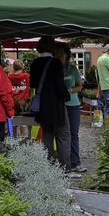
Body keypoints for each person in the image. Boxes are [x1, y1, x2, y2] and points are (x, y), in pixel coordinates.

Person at [30, 36, 75, 176]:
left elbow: (32, 84)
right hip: (57, 106)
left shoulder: (35, 63)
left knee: (47, 137)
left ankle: (49, 166)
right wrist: (67, 96)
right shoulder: (55, 63)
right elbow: (59, 84)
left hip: (43, 107)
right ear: (52, 48)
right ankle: (65, 168)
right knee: (63, 136)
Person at [55, 42, 86, 173]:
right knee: (60, 134)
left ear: (67, 55)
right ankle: (62, 162)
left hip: (72, 105)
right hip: (57, 105)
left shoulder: (72, 69)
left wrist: (69, 90)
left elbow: (79, 85)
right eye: (56, 54)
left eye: (60, 54)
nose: (58, 56)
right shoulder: (53, 69)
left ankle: (75, 162)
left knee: (73, 133)